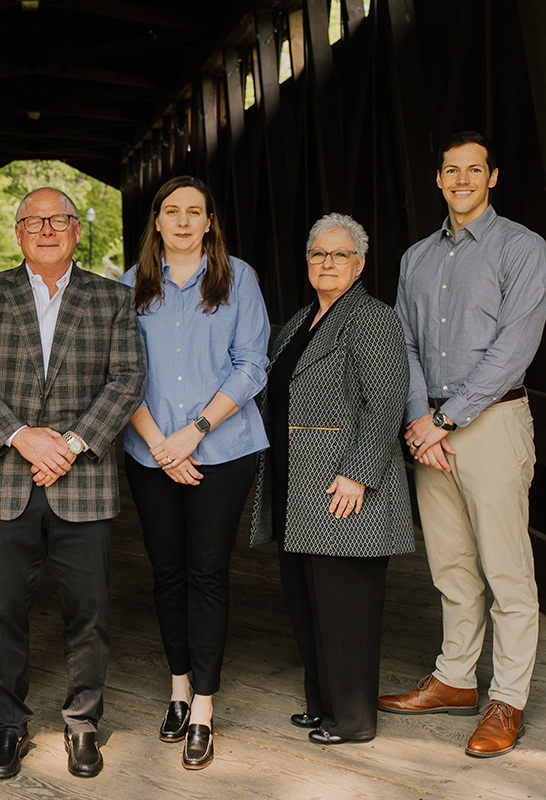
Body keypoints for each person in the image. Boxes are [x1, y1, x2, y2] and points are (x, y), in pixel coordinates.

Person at [0, 187, 145, 780]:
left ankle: (82, 723)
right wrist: (20, 435)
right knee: (3, 610)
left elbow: (128, 379)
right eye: (35, 221)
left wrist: (73, 444)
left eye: (60, 220)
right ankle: (9, 723)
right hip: (4, 478)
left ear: (77, 231)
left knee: (89, 612)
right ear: (18, 232)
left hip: (82, 480)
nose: (48, 229)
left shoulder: (112, 297)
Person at [381, 131, 546, 758]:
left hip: (491, 423)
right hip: (433, 431)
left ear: (493, 177)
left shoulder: (523, 248)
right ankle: (454, 680)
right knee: (450, 564)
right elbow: (407, 345)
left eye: (473, 170)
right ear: (440, 180)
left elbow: (514, 347)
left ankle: (507, 698)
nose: (461, 181)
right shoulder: (417, 258)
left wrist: (444, 420)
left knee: (507, 569)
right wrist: (421, 417)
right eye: (451, 171)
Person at [120, 176, 269, 770]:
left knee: (207, 574)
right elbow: (120, 371)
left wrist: (193, 434)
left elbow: (252, 364)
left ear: (210, 222)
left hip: (224, 449)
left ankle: (203, 709)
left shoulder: (240, 278)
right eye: (172, 211)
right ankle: (178, 690)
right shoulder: (131, 286)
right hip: (150, 452)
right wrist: (161, 445)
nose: (183, 221)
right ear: (156, 221)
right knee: (167, 574)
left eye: (195, 212)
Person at [251, 212, 413, 747]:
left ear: (360, 263)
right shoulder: (301, 320)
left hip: (343, 490)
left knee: (346, 611)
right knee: (308, 605)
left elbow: (386, 403)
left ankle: (353, 719)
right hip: (297, 487)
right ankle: (323, 704)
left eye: (339, 254)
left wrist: (357, 475)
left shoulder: (372, 319)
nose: (327, 263)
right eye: (318, 253)